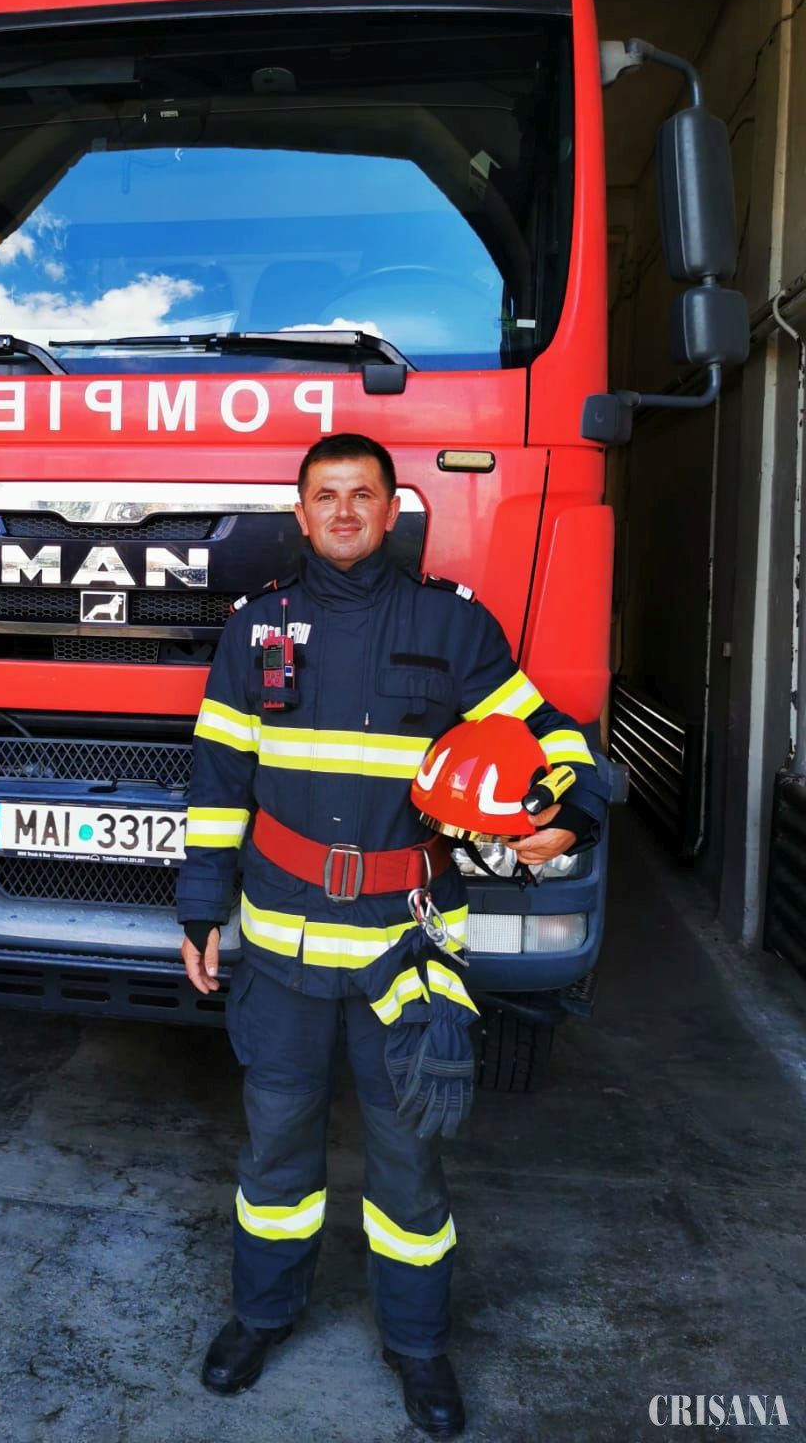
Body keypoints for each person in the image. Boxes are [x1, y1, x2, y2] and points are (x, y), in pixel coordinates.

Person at [176, 433, 606, 1438]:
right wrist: (200, 907)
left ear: (391, 507)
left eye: (360, 493)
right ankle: (261, 1315)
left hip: (402, 951)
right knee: (276, 1150)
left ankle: (417, 1344)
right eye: (324, 495)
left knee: (410, 1159)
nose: (343, 511)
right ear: (300, 514)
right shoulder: (256, 631)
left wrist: (574, 812)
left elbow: (548, 735)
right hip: (282, 948)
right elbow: (218, 779)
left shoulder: (452, 626)